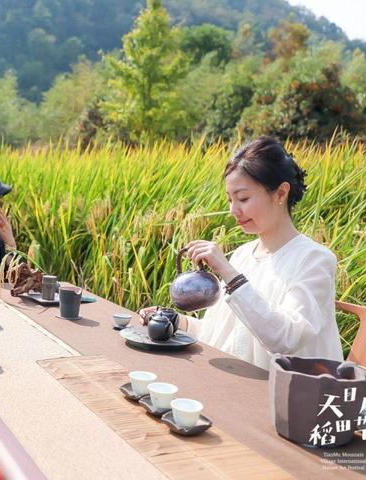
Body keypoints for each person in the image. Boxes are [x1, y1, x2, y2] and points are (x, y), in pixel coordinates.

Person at [140, 137, 343, 370]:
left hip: (289, 395)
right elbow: (223, 333)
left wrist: (228, 272)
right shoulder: (243, 255)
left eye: (243, 198)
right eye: (230, 199)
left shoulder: (314, 260)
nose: (233, 210)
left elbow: (285, 339)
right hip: (237, 386)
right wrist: (175, 321)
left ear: (280, 194)